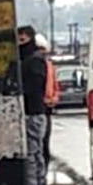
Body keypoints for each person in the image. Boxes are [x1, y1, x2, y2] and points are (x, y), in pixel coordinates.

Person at [19, 25, 49, 185]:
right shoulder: (33, 60)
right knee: (35, 154)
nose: (20, 44)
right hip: (34, 112)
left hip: (33, 113)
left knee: (32, 155)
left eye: (22, 40)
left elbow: (35, 87)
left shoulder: (34, 61)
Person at [36, 34, 59, 164]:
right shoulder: (33, 65)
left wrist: (54, 98)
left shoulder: (50, 66)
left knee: (45, 143)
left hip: (47, 109)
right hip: (38, 108)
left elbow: (55, 87)